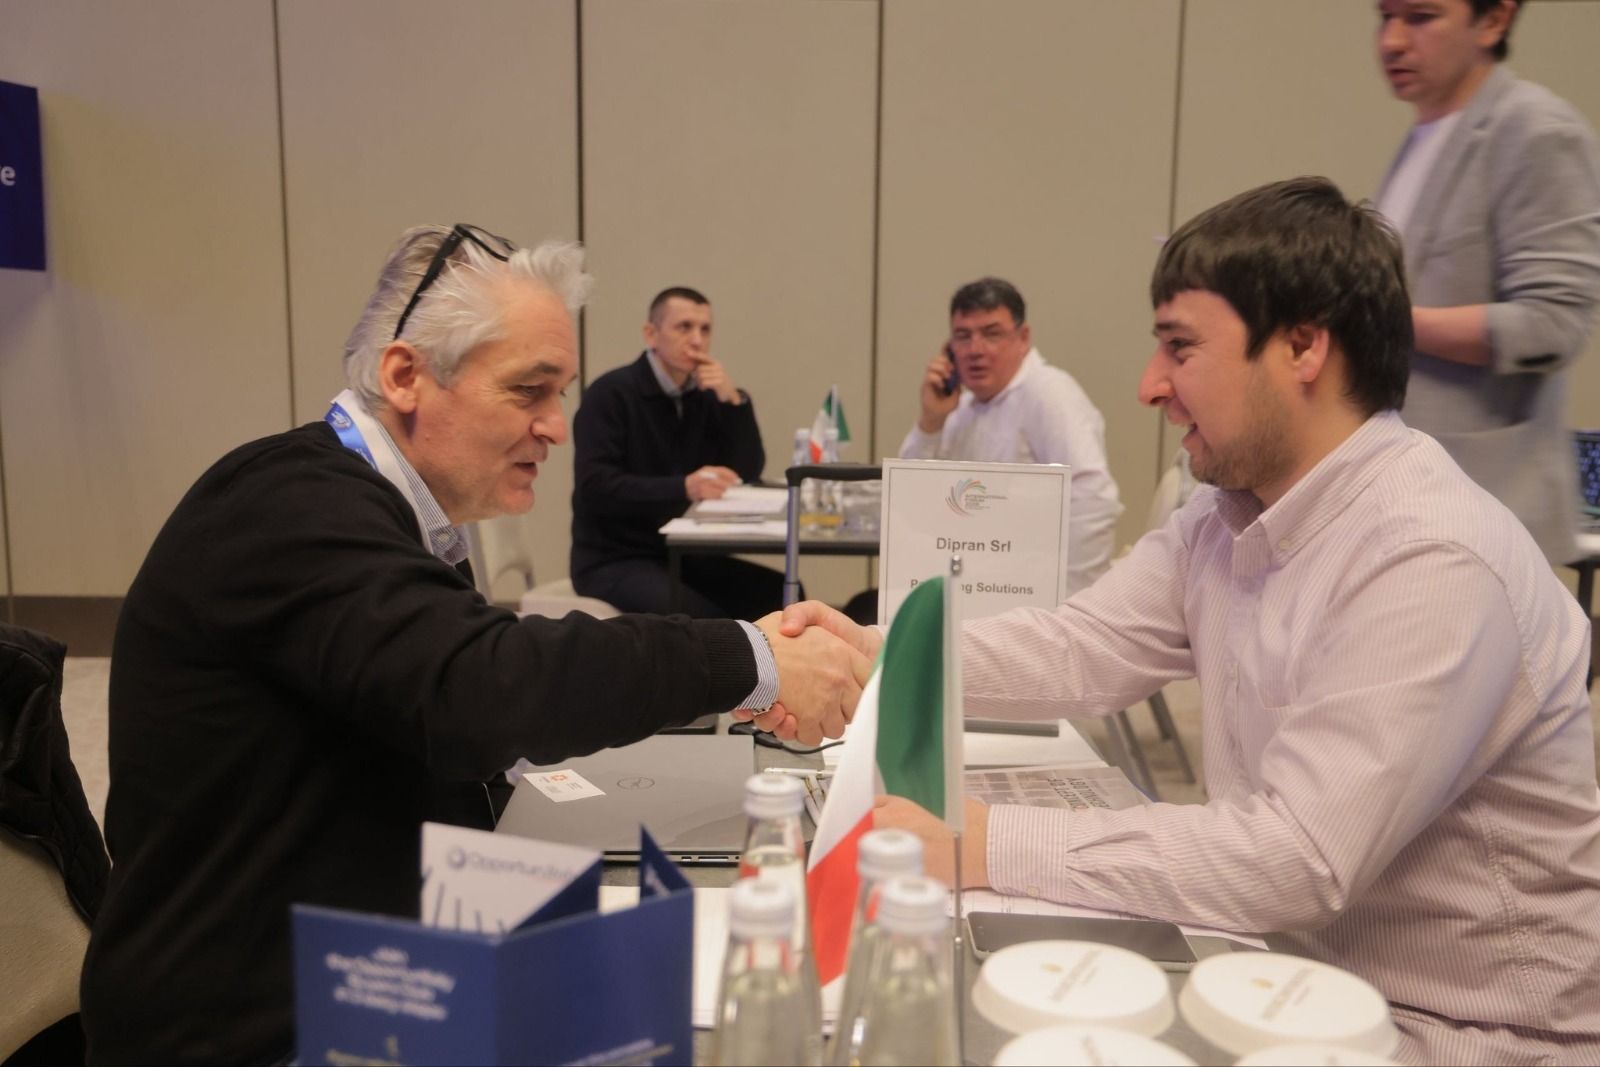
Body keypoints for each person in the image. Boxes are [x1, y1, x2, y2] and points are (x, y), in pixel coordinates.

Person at [782, 179, 1600, 1064]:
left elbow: (1296, 855)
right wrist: (874, 654)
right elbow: (1079, 647)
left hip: (1462, 1034)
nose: (1151, 386)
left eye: (1180, 347)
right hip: (1286, 979)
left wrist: (983, 840)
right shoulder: (1228, 516)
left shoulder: (1430, 555)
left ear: (1303, 346)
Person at [79, 226, 870, 1065]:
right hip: (253, 1028)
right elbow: (481, 688)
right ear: (404, 376)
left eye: (559, 393)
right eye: (530, 390)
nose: (556, 427)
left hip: (362, 965)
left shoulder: (389, 514)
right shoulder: (286, 505)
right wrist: (747, 660)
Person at [1375, 0, 1600, 566]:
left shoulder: (1538, 130)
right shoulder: (1425, 134)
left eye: (1420, 17)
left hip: (1486, 514)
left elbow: (1554, 324)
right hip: (1412, 498)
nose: (1392, 40)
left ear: (1494, 20)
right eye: (1384, 16)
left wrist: (1379, 319)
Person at [570, 287, 786, 619]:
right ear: (651, 334)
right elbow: (596, 487)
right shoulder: (610, 394)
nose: (697, 340)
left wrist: (733, 403)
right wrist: (684, 487)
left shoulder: (705, 395)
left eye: (705, 329)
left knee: (782, 593)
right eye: (684, 327)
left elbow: (746, 472)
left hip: (684, 554)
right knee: (702, 619)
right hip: (614, 559)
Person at [899, 278, 1123, 594]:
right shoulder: (961, 409)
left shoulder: (1049, 394)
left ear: (1023, 338)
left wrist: (1068, 601)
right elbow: (910, 498)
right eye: (963, 337)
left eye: (992, 334)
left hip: (1031, 593)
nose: (975, 350)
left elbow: (1092, 498)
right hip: (972, 582)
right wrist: (931, 422)